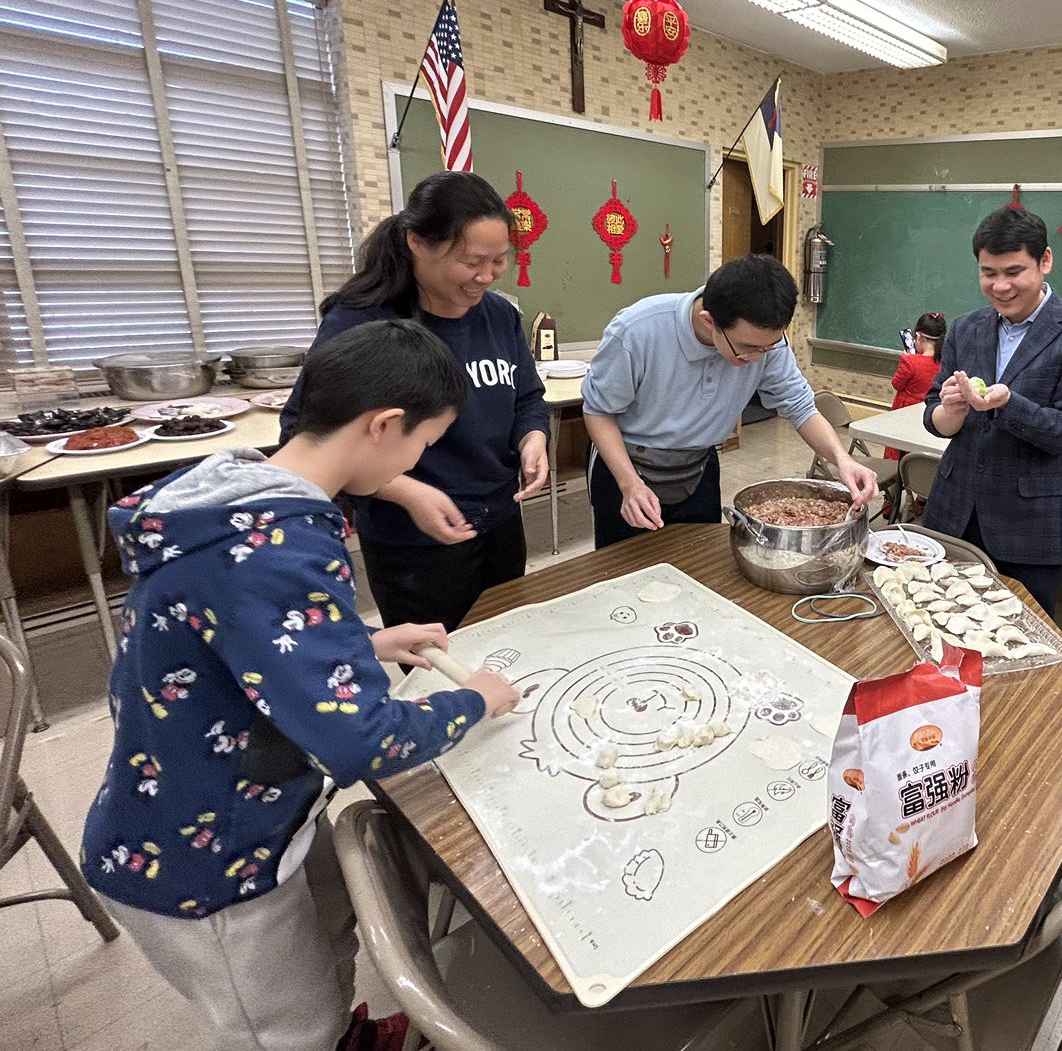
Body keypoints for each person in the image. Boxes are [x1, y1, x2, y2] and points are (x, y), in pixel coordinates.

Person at [82, 319, 523, 1051]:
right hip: (206, 858)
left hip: (242, 796)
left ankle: (338, 1027)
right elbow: (363, 742)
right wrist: (476, 698)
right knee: (280, 1028)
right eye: (423, 444)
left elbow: (236, 642)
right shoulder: (276, 548)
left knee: (322, 944)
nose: (422, 462)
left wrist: (362, 644)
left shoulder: (240, 496)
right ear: (384, 426)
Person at [282, 171, 549, 632]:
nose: (485, 276)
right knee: (436, 664)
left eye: (499, 261)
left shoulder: (500, 316)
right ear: (417, 244)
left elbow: (526, 395)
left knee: (507, 641)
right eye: (470, 262)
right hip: (413, 536)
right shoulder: (364, 324)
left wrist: (533, 438)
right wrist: (406, 491)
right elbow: (304, 435)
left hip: (499, 516)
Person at [582, 253, 879, 548]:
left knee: (698, 565)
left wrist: (842, 460)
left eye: (769, 347)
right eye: (746, 348)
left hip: (698, 467)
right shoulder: (637, 330)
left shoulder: (765, 345)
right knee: (622, 569)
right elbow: (597, 411)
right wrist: (629, 484)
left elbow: (800, 407)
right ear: (709, 321)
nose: (757, 358)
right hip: (626, 465)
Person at [921, 206, 1062, 614]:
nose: (1000, 286)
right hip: (953, 510)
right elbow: (935, 414)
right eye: (988, 273)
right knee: (938, 618)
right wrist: (951, 411)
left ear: (1045, 261)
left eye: (1013, 272)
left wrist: (1008, 404)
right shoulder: (968, 328)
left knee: (1019, 636)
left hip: (1029, 524)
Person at [885, 311, 947, 460]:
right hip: (934, 409)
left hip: (905, 409)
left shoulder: (910, 362)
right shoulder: (946, 361)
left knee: (898, 445)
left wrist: (905, 360)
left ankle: (897, 475)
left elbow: (897, 384)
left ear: (918, 337)